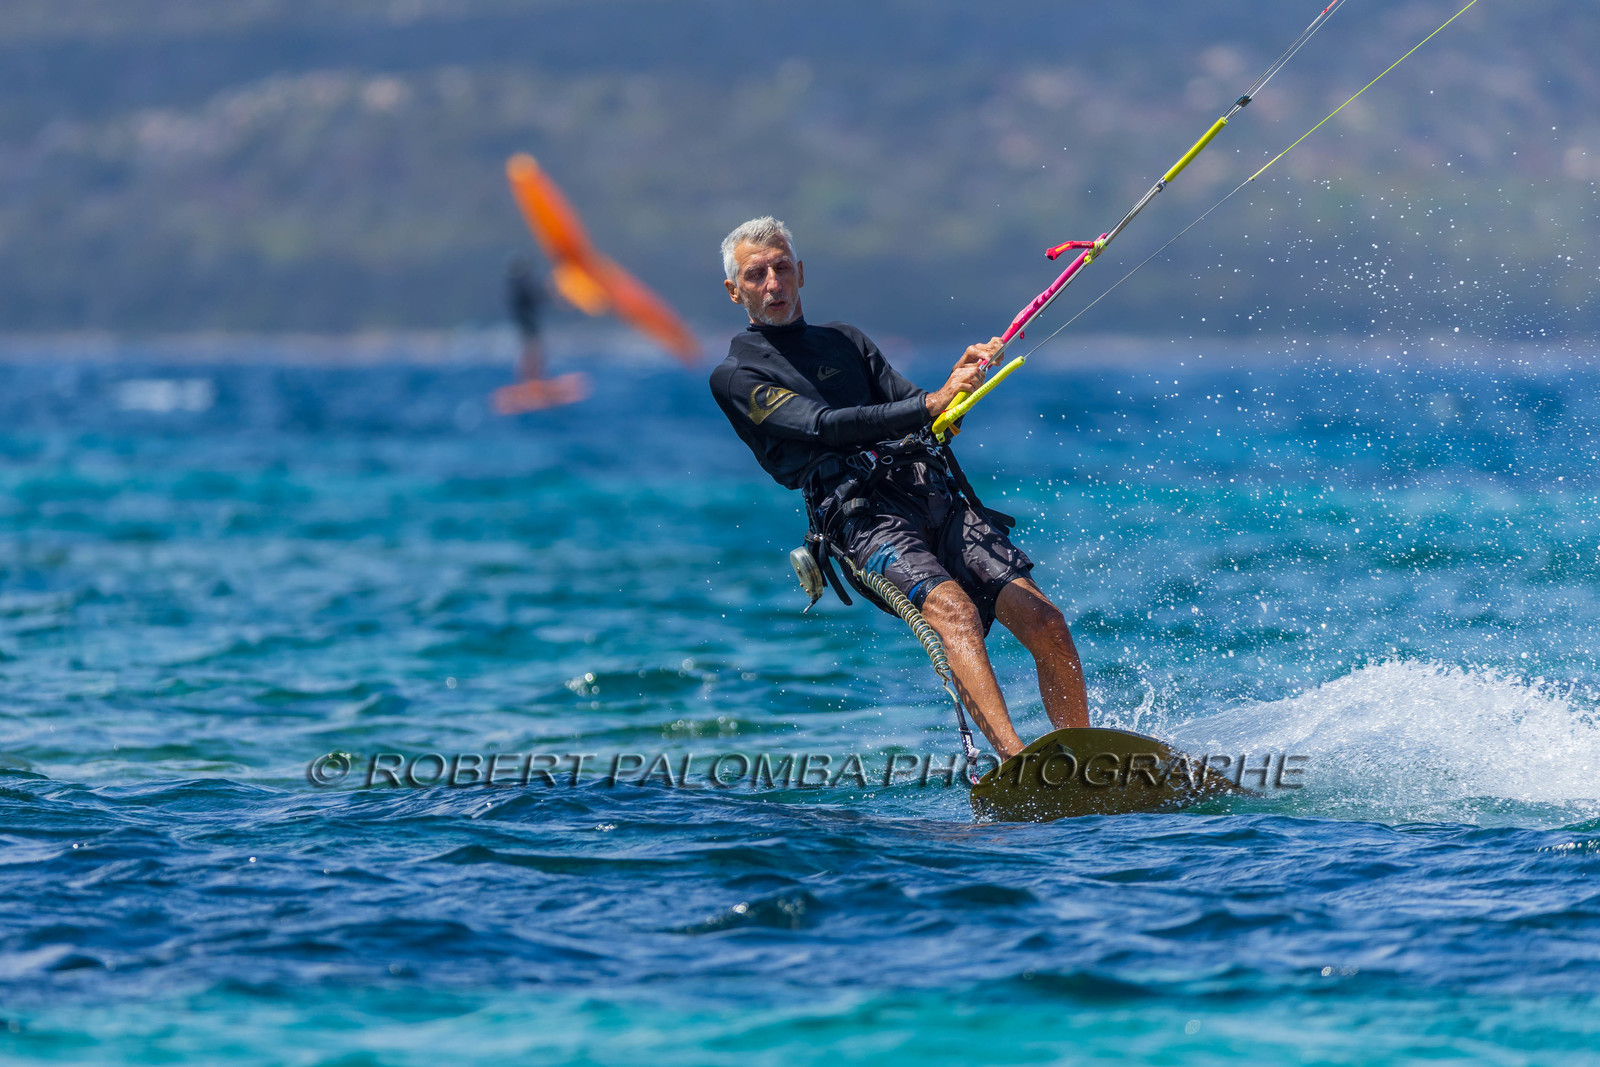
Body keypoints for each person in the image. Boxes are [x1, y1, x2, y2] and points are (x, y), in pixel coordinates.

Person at [708, 216, 1089, 759]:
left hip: (930, 492)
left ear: (800, 273)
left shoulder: (845, 341)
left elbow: (921, 412)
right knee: (954, 613)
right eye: (755, 274)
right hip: (861, 520)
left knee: (1046, 620)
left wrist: (953, 392)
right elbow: (822, 426)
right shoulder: (736, 374)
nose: (772, 284)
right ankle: (1018, 761)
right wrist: (928, 403)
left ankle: (1085, 758)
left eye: (782, 269)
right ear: (734, 290)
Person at [493, 256, 589, 415]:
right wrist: (552, 288)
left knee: (531, 356)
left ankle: (532, 384)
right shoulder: (521, 289)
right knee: (533, 357)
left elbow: (538, 299)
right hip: (529, 331)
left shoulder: (515, 290)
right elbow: (539, 298)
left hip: (526, 331)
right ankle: (533, 386)